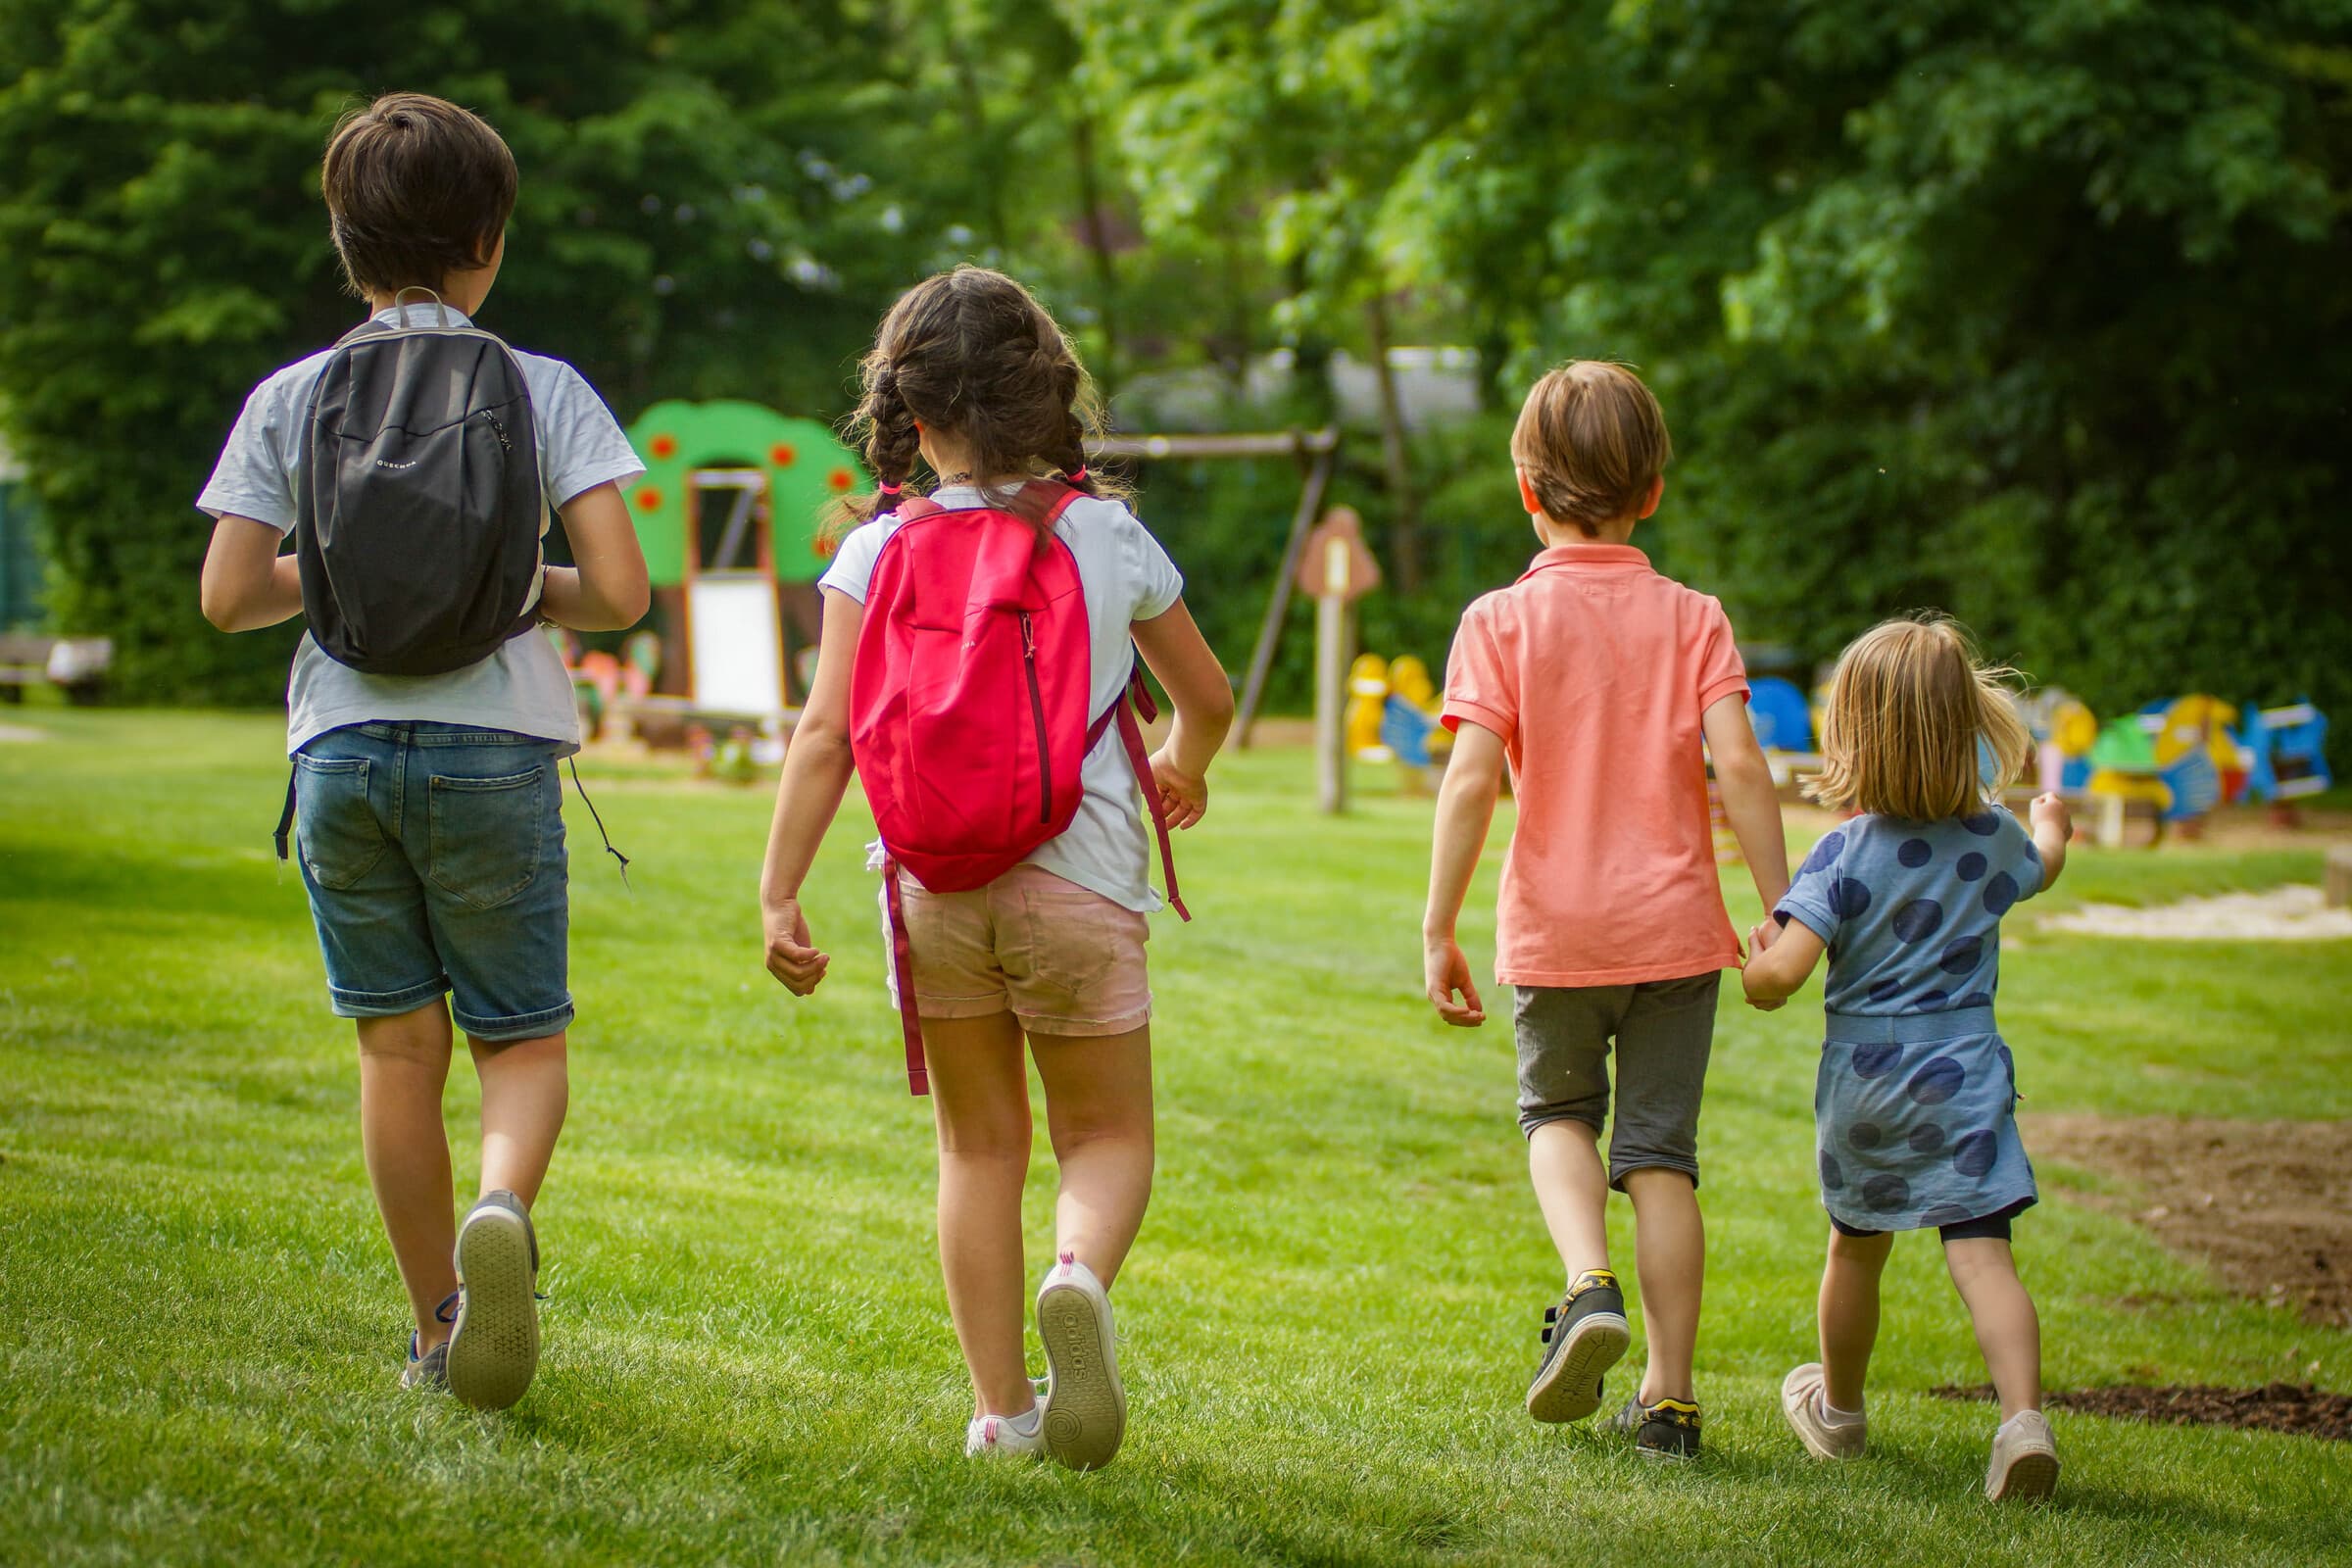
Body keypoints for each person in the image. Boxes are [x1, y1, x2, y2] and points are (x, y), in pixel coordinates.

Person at [196, 93, 650, 1407]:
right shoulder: (539, 387)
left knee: (397, 1051)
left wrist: (343, 571)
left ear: (345, 246)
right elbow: (617, 592)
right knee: (520, 1041)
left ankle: (440, 1325)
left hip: (339, 747)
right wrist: (513, 587)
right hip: (494, 747)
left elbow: (229, 597)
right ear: (489, 243)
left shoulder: (296, 392)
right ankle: (500, 1206)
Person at [758, 266, 1233, 1467]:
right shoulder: (1105, 533)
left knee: (977, 1147)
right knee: (1106, 1138)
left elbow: (823, 737)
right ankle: (1076, 1275)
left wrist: (778, 890)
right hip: (1083, 880)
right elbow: (1210, 695)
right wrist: (1184, 757)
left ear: (914, 421)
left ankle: (1004, 1414)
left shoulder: (875, 551)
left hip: (930, 885)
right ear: (1049, 400)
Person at [1422, 361, 1791, 1460]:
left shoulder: (1499, 620)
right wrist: (1781, 908)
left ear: (1526, 492)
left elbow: (1472, 778)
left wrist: (1439, 925)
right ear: (1655, 492)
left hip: (1559, 931)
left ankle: (1588, 1283)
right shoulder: (1696, 618)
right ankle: (1671, 1401)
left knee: (1557, 1117)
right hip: (1679, 932)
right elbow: (1742, 764)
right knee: (1663, 1160)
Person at [1742, 613, 2071, 1502]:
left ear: (1855, 733)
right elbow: (2040, 867)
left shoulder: (1841, 855)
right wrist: (2053, 828)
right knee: (1983, 1257)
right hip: (1965, 1075)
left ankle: (1839, 1413)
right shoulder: (1993, 837)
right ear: (1964, 721)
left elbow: (1783, 976)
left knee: (1856, 1251)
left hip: (1869, 1086)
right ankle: (2021, 1422)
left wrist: (1753, 966)